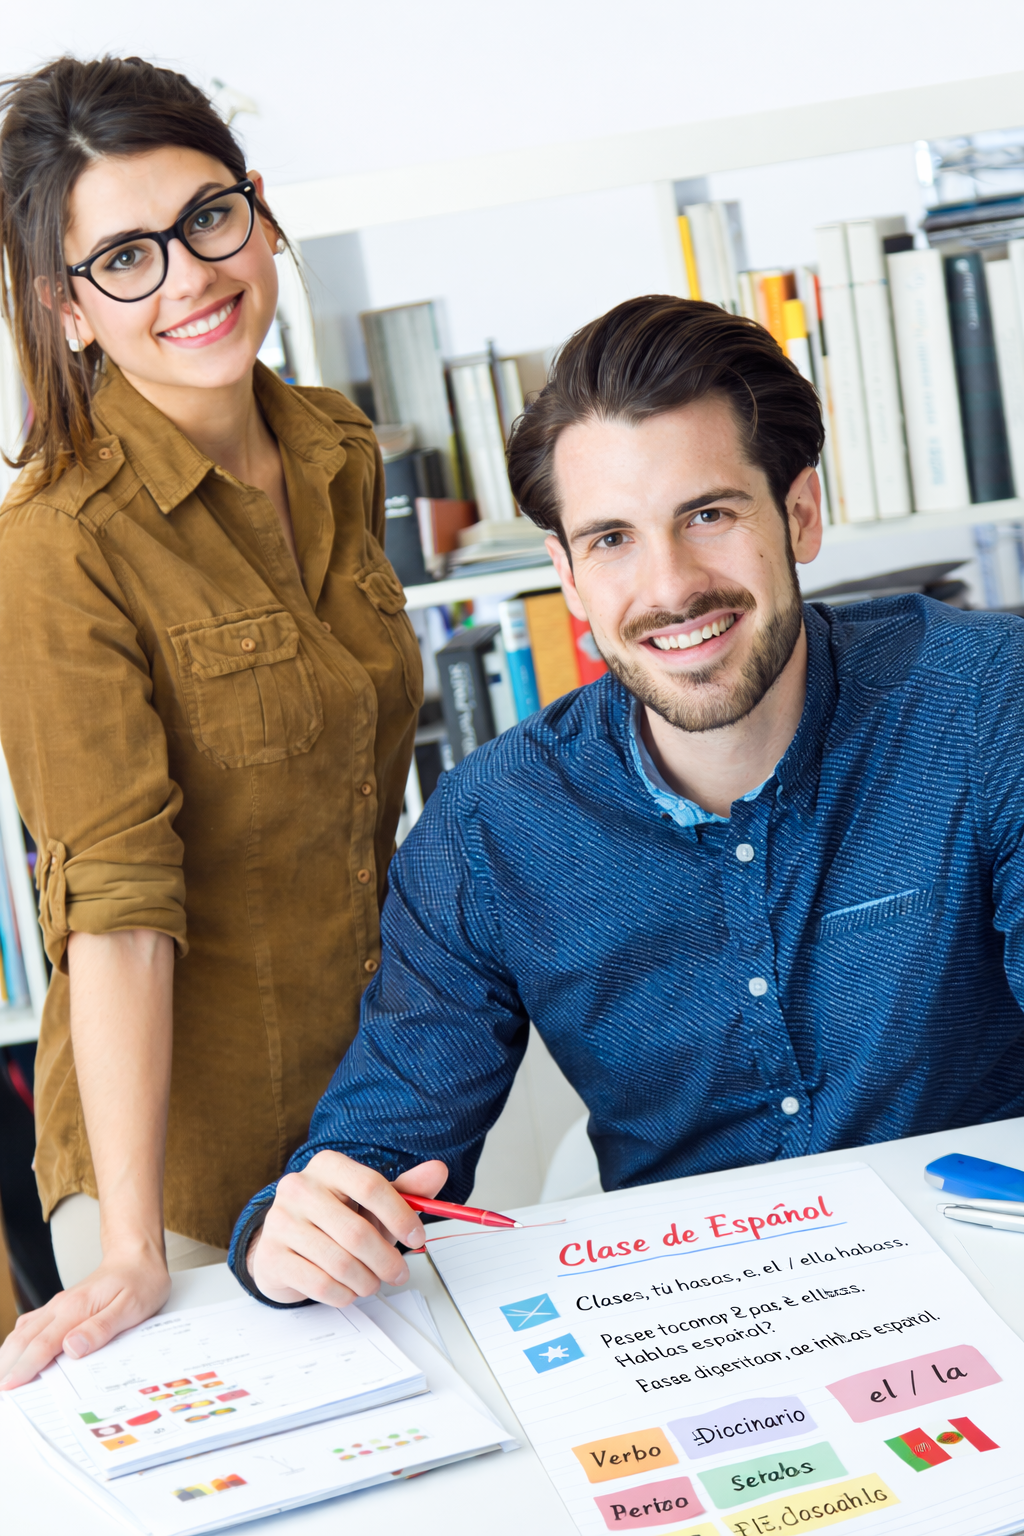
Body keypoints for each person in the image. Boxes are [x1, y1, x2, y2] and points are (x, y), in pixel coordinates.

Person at [228, 294, 1024, 1312]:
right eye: (611, 538)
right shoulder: (488, 828)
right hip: (698, 1337)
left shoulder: (984, 705)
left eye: (709, 514)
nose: (672, 586)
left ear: (800, 514)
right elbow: (381, 1152)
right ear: (563, 575)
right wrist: (288, 1237)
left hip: (983, 1284)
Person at [0, 56, 420, 1389]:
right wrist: (131, 1249)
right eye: (124, 257)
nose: (187, 277)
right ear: (68, 312)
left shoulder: (335, 446)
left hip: (380, 1115)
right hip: (177, 1170)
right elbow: (117, 906)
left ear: (263, 214)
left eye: (206, 219)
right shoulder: (55, 549)